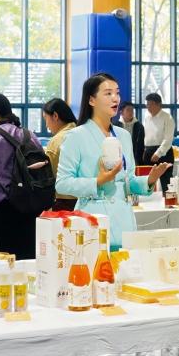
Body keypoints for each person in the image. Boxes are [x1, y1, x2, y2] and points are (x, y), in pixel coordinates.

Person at [56, 74, 170, 247]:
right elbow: (62, 183)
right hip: (92, 221)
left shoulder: (123, 135)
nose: (115, 98)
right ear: (91, 100)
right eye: (108, 93)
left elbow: (128, 181)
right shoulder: (75, 136)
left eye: (117, 93)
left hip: (123, 221)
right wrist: (98, 181)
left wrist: (149, 180)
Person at [0, 92, 48, 259]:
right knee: (28, 257)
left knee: (7, 258)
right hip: (32, 203)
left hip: (4, 207)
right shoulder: (29, 135)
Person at [42, 97, 78, 211]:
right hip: (87, 199)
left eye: (45, 118)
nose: (46, 125)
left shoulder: (56, 141)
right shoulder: (83, 133)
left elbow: (49, 176)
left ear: (55, 116)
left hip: (65, 202)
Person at [141, 92, 176, 192]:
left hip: (164, 152)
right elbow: (146, 136)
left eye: (150, 104)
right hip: (148, 151)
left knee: (166, 181)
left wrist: (158, 153)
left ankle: (168, 200)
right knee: (148, 180)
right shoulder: (147, 118)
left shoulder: (167, 118)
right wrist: (145, 150)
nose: (148, 107)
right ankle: (148, 200)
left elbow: (168, 139)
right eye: (147, 104)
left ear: (158, 104)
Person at [116, 101, 147, 167]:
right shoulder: (115, 125)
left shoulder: (139, 126)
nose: (131, 112)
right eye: (128, 110)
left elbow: (141, 144)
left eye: (132, 110)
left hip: (135, 158)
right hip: (119, 157)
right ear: (121, 112)